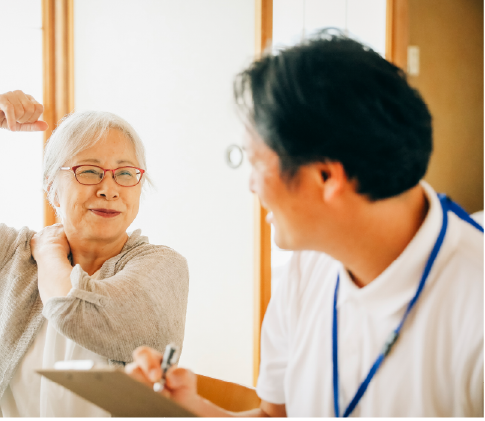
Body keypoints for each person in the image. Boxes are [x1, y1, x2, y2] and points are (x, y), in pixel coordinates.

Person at [126, 34, 483, 417]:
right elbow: (274, 415)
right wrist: (188, 409)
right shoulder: (308, 264)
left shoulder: (472, 311)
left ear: (327, 176)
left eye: (256, 162)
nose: (251, 185)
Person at [0, 90, 189, 417]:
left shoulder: (164, 269)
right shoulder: (13, 258)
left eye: (125, 173)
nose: (109, 189)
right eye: (89, 171)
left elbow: (74, 311)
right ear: (52, 186)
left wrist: (50, 254)